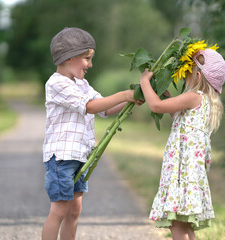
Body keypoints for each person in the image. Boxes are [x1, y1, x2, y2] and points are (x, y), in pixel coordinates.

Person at [42, 27, 141, 240]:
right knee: (59, 210)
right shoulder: (56, 83)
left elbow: (104, 108)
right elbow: (90, 106)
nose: (90, 65)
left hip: (79, 156)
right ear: (69, 57)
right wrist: (124, 93)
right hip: (61, 158)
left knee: (74, 210)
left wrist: (130, 100)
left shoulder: (82, 84)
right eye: (87, 59)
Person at [140, 48, 225, 240]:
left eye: (186, 73)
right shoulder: (206, 102)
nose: (184, 78)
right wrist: (163, 92)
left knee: (177, 224)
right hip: (190, 172)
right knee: (184, 224)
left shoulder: (193, 97)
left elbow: (156, 106)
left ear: (197, 76)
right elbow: (178, 117)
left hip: (182, 171)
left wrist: (145, 82)